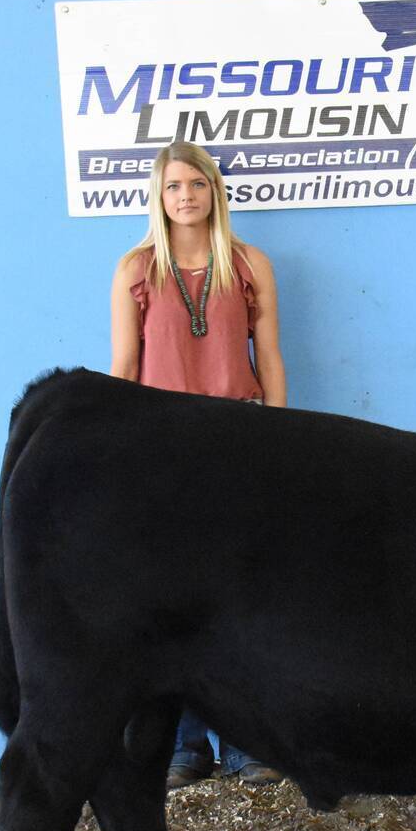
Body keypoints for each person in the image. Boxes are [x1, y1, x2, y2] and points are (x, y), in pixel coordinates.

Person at [110, 140, 286, 789]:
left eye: (196, 184)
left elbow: (268, 355)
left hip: (237, 441)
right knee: (170, 604)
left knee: (237, 601)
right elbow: (123, 368)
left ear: (214, 191)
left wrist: (278, 431)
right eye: (172, 186)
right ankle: (186, 747)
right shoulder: (134, 269)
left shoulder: (248, 264)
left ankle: (245, 746)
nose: (185, 195)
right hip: (160, 451)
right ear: (159, 198)